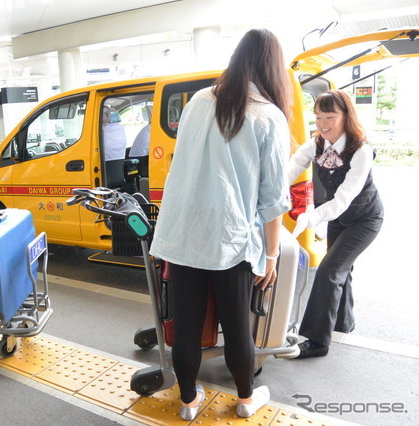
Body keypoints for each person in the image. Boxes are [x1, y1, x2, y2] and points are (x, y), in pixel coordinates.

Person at [149, 28, 291, 420]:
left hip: (183, 233)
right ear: (272, 67)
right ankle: (246, 400)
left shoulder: (198, 101)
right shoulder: (269, 116)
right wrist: (272, 254)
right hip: (232, 239)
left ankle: (188, 402)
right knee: (236, 326)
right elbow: (273, 199)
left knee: (188, 324)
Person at [288, 89, 383, 359]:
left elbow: (343, 199)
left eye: (329, 116)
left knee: (329, 270)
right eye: (318, 117)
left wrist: (310, 218)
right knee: (343, 270)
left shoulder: (360, 150)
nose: (322, 124)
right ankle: (343, 324)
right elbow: (290, 169)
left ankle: (317, 342)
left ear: (346, 116)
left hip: (365, 219)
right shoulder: (316, 144)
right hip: (339, 220)